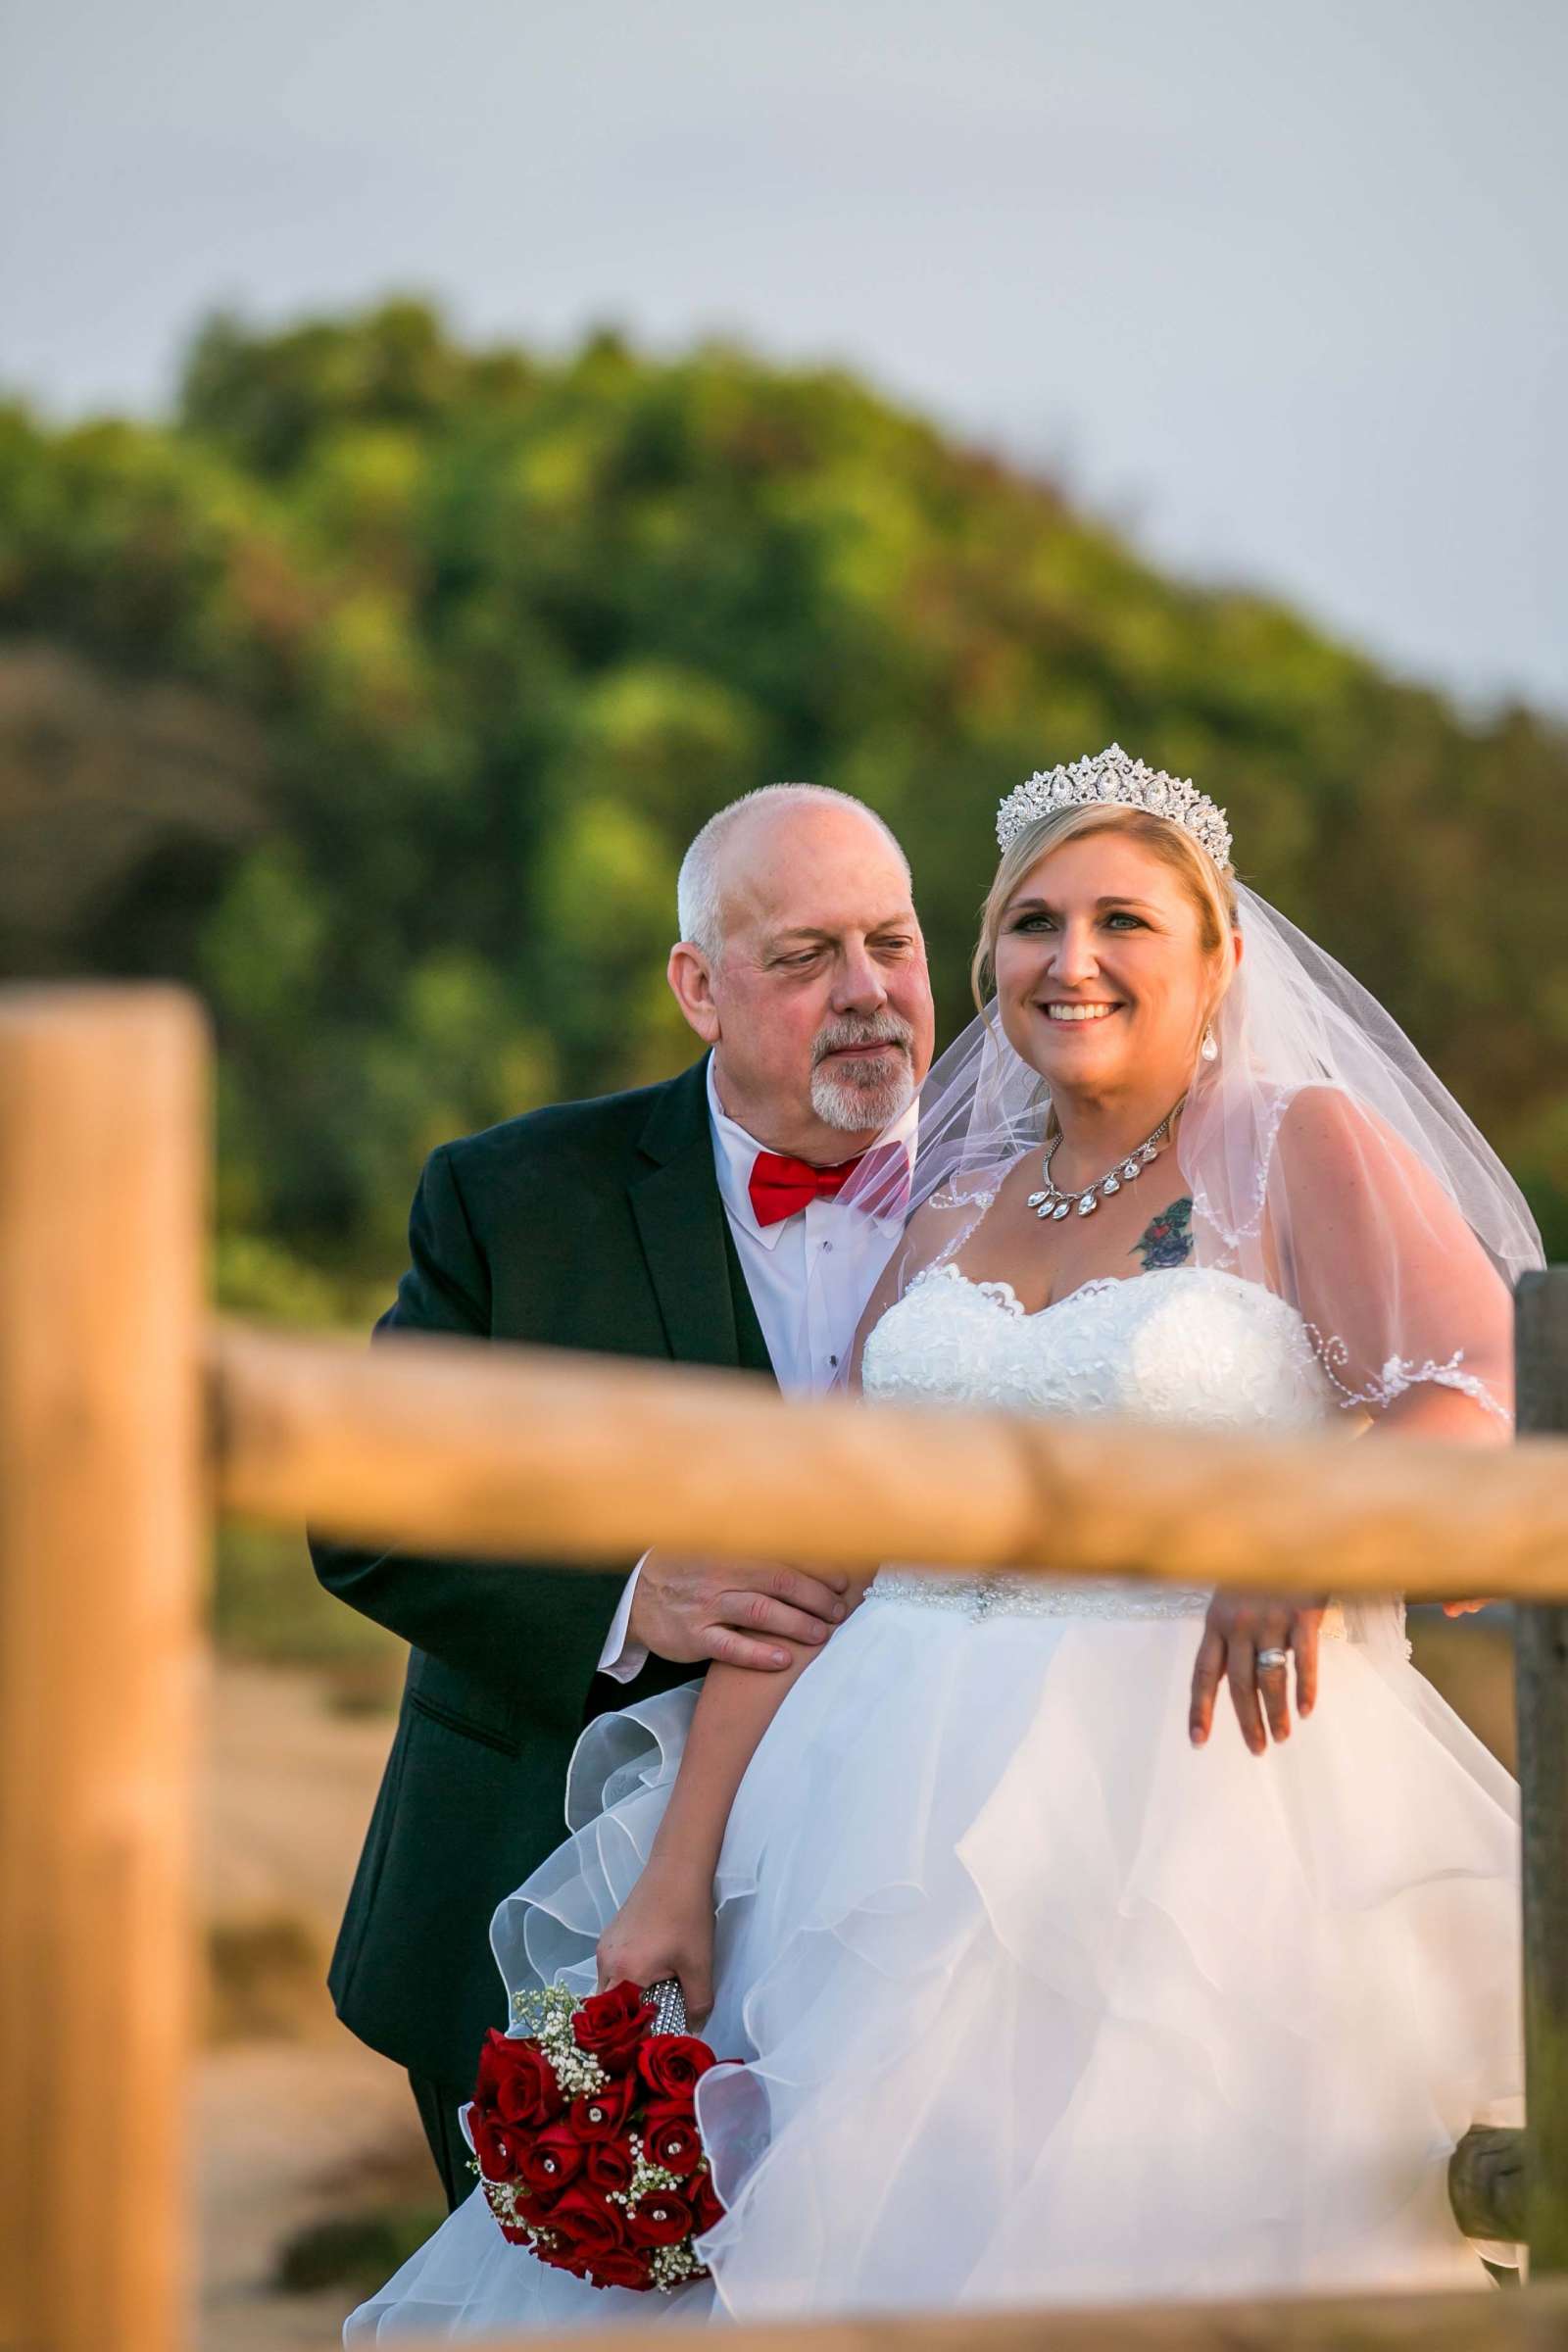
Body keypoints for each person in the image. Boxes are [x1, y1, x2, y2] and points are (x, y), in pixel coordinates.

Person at [345, 749, 1536, 2335]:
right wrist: (684, 1868)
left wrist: (1323, 1525)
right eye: (1033, 923)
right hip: (864, 1843)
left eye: (1126, 919)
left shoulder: (1300, 1143)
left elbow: (1482, 1384)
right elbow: (823, 1557)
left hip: (1190, 1812)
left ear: (1223, 956)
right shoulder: (953, 1215)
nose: (1072, 958)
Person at [311, 782, 935, 2208]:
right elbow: (360, 1503)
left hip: (910, 1914)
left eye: (892, 945)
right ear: (696, 988)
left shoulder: (1030, 1189)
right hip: (538, 1894)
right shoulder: (514, 1198)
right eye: (804, 957)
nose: (866, 995)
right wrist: (629, 1591)